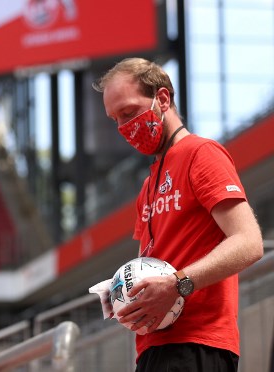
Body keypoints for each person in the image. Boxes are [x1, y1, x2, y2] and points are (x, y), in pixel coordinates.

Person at [93, 57, 263, 371]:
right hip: (154, 348)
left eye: (129, 113)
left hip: (199, 345)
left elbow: (250, 242)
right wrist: (121, 290)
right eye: (115, 119)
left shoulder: (202, 153)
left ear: (162, 98)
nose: (123, 128)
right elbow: (153, 261)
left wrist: (176, 285)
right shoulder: (148, 184)